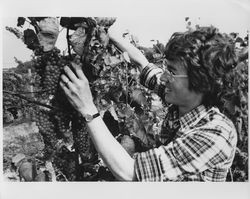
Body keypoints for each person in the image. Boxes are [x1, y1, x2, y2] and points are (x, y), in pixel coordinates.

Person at [59, 21, 238, 181]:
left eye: (172, 72)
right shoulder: (185, 101)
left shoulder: (215, 133)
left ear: (200, 82)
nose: (163, 78)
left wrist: (87, 108)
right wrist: (105, 32)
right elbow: (142, 64)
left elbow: (130, 173)